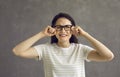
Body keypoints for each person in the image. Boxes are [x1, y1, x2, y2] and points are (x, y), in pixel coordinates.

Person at [13, 13, 114, 77]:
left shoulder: (80, 50)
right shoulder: (45, 49)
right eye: (59, 27)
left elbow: (108, 56)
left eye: (67, 27)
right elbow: (17, 51)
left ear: (73, 29)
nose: (63, 31)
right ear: (53, 29)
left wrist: (85, 35)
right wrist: (41, 34)